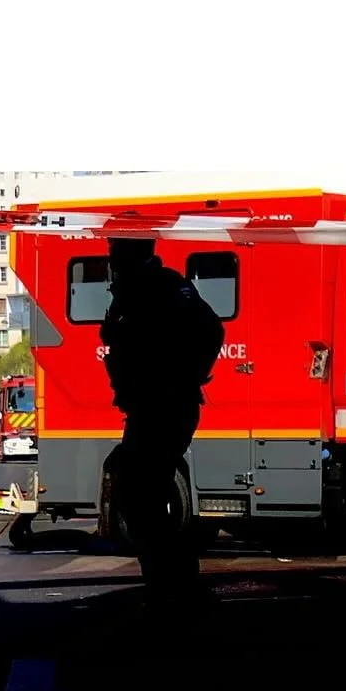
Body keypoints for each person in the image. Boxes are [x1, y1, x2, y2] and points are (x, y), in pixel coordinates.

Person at [99, 237, 224, 604]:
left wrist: (185, 376)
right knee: (143, 498)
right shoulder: (140, 290)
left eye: (115, 252)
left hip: (162, 407)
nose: (111, 259)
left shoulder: (159, 288)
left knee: (140, 499)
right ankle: (170, 580)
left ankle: (173, 582)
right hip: (152, 407)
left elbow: (210, 331)